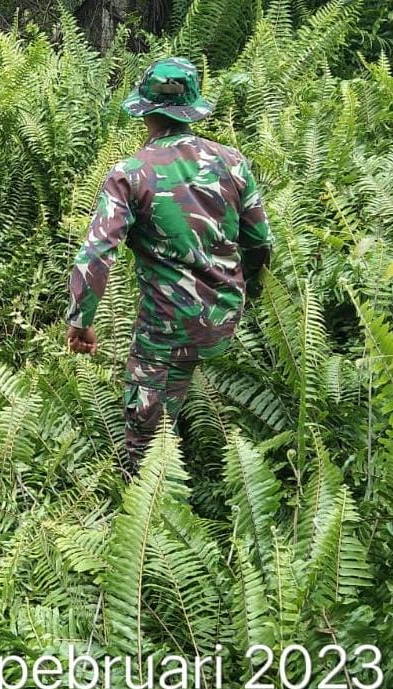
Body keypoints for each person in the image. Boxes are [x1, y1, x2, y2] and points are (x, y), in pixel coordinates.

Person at [65, 57, 273, 467]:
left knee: (145, 434)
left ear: (145, 109)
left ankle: (148, 510)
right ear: (192, 107)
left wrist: (81, 319)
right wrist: (247, 291)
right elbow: (261, 242)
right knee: (191, 394)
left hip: (166, 326)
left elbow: (96, 253)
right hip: (224, 318)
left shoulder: (130, 174)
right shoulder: (232, 162)